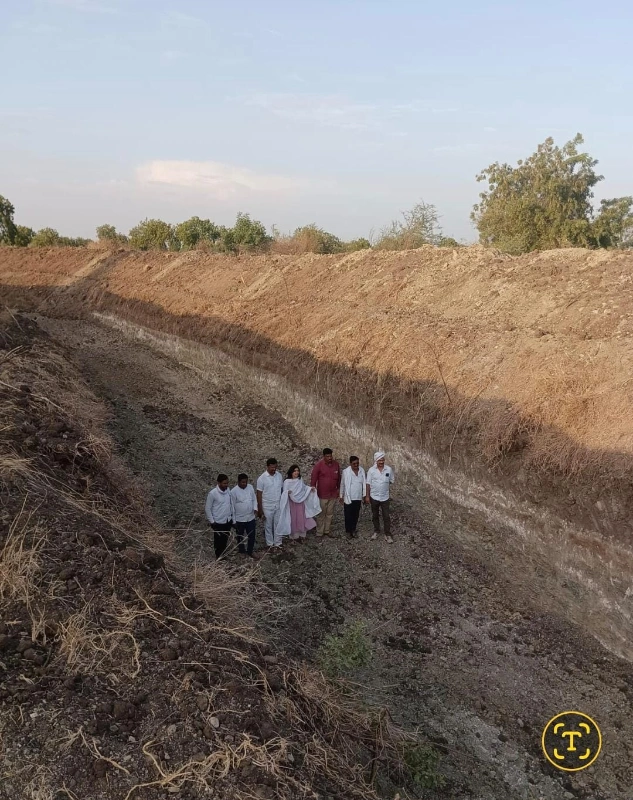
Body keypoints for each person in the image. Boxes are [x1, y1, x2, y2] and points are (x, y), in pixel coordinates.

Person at [278, 465, 320, 542]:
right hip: (292, 503)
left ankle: (302, 534)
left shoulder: (300, 480)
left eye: (298, 471)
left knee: (301, 517)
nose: (296, 472)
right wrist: (287, 492)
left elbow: (304, 488)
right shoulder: (287, 482)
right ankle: (294, 536)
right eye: (295, 471)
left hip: (300, 502)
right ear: (291, 472)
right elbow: (284, 492)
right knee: (293, 518)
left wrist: (310, 489)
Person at [310, 447, 341, 538]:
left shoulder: (336, 465)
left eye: (330, 456)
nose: (329, 458)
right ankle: (319, 533)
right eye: (327, 456)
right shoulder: (319, 465)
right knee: (321, 514)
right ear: (324, 456)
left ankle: (327, 531)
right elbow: (314, 477)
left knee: (330, 513)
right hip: (322, 494)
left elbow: (339, 478)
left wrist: (339, 489)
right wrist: (313, 488)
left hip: (333, 494)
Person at [365, 452, 395, 543]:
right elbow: (368, 484)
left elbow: (391, 481)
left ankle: (387, 534)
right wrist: (367, 496)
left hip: (385, 497)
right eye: (379, 460)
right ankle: (376, 531)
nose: (381, 462)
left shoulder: (389, 469)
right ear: (376, 461)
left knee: (386, 516)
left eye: (382, 460)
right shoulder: (371, 470)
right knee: (375, 515)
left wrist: (383, 486)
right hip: (374, 497)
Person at [256, 458, 284, 550]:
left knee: (278, 524)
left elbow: (281, 489)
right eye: (272, 467)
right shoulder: (262, 479)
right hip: (267, 505)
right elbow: (259, 494)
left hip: (277, 504)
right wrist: (260, 509)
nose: (274, 469)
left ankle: (278, 542)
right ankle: (270, 544)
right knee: (268, 525)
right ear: (267, 466)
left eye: (275, 467)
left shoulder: (279, 476)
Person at [205, 473, 234, 559]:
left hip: (227, 520)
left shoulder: (228, 491)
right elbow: (208, 508)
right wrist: (212, 522)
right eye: (224, 483)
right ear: (219, 483)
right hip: (218, 522)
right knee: (218, 540)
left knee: (225, 539)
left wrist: (232, 519)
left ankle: (223, 554)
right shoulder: (212, 494)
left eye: (227, 483)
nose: (226, 485)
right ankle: (218, 557)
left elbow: (231, 505)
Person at [230, 473, 258, 557]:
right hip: (239, 518)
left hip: (250, 517)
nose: (244, 484)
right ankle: (241, 551)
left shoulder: (250, 487)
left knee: (251, 535)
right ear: (238, 482)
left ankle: (250, 551)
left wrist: (255, 508)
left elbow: (254, 499)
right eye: (242, 482)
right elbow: (232, 507)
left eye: (246, 482)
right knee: (240, 536)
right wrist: (233, 520)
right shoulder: (233, 492)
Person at [339, 456, 367, 538]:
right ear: (350, 463)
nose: (356, 465)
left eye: (357, 463)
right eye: (354, 463)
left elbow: (364, 483)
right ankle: (348, 531)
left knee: (356, 514)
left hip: (358, 497)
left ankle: (353, 529)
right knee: (348, 515)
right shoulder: (346, 472)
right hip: (348, 497)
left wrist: (364, 495)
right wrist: (341, 495)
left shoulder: (362, 470)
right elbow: (342, 484)